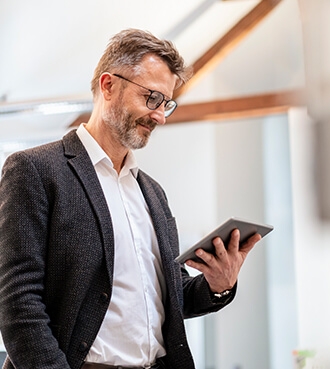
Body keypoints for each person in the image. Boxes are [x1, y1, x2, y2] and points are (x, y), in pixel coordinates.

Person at [0, 29, 261, 369]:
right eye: (152, 98)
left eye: (166, 103)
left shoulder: (151, 191)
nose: (160, 116)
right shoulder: (35, 170)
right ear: (109, 86)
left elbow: (167, 296)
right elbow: (18, 301)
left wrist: (217, 285)